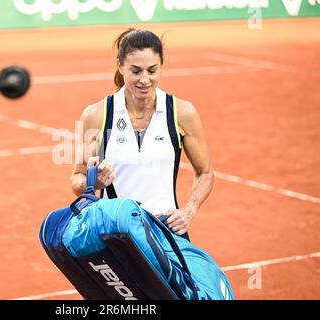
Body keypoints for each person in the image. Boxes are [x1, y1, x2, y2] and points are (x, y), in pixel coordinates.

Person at [70, 28, 214, 239]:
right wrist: (95, 183)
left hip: (166, 231)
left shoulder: (182, 113)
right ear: (120, 66)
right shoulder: (96, 115)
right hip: (115, 233)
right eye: (136, 71)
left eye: (152, 70)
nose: (145, 80)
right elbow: (77, 179)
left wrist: (189, 210)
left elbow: (205, 172)